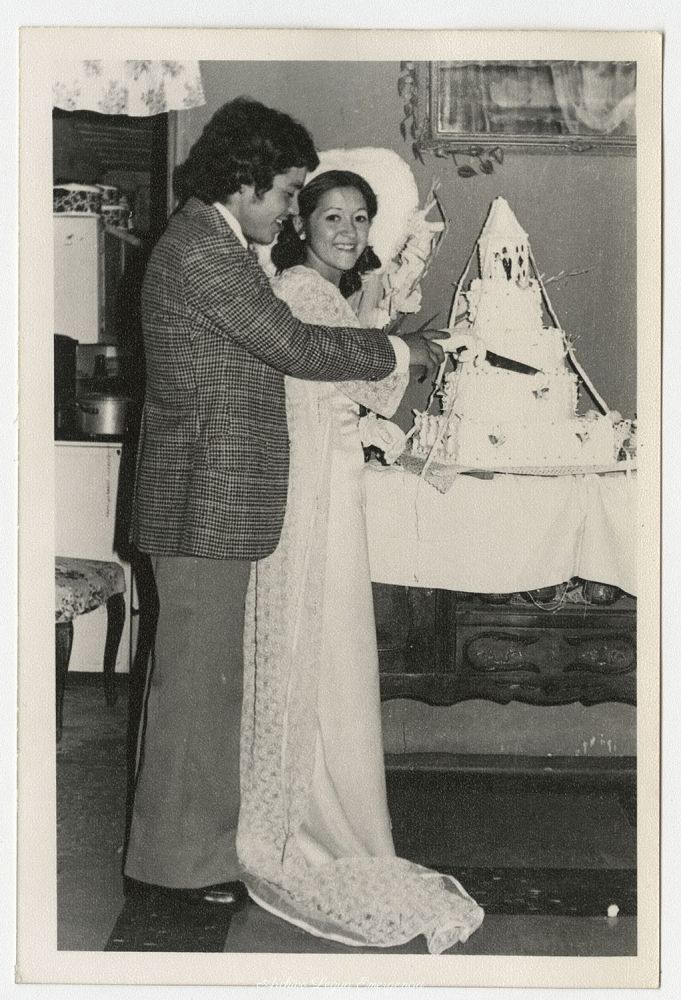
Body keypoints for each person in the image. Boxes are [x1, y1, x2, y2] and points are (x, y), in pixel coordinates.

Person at [124, 99, 443, 909]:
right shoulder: (204, 248)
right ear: (245, 180)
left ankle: (185, 855)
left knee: (201, 688)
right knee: (196, 692)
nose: (291, 209)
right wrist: (400, 350)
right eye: (289, 191)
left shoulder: (214, 241)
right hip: (204, 496)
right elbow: (292, 344)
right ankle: (173, 869)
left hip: (211, 495)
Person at [236, 166, 484, 951]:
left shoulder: (325, 293)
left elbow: (350, 384)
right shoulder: (300, 292)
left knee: (334, 652)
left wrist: (392, 347)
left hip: (330, 481)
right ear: (301, 224)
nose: (346, 231)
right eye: (331, 217)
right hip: (312, 492)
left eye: (359, 218)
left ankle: (319, 808)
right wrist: (411, 348)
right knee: (323, 650)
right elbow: (360, 368)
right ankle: (311, 826)